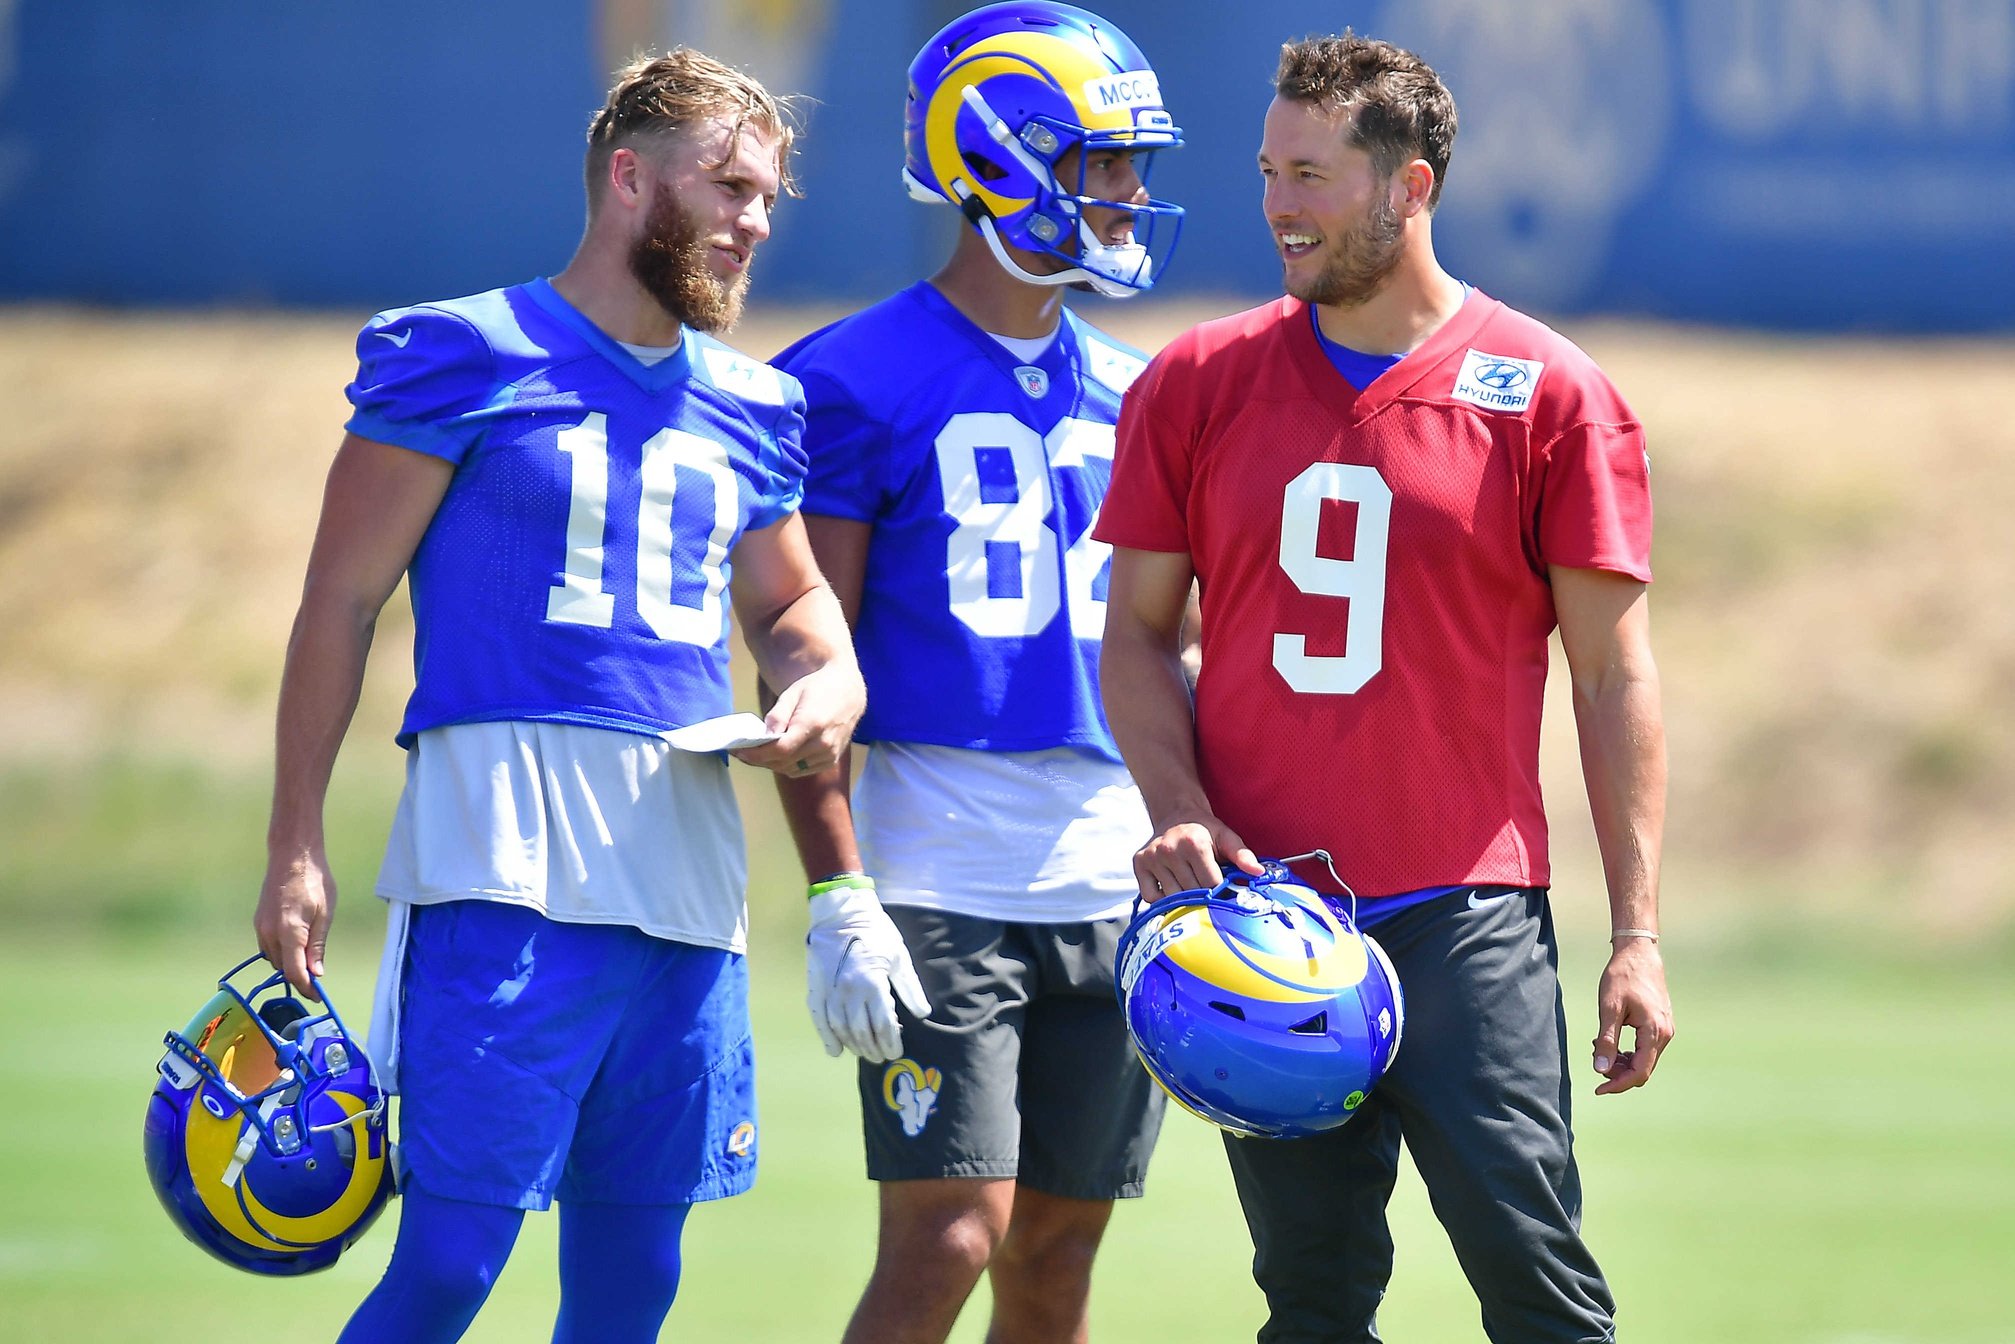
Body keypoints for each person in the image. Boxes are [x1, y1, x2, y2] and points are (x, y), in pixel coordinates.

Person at [251, 49, 903, 1344]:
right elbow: (338, 601)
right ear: (626, 178)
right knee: (448, 1261)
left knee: (632, 1286)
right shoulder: (461, 352)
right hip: (502, 863)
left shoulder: (758, 405)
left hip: (683, 878)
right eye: (728, 185)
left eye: (769, 197)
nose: (754, 221)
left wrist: (831, 675)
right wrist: (295, 841)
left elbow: (787, 604)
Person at [1096, 31, 1675, 1344]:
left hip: (1462, 917)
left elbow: (1610, 674)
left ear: (1409, 187)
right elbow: (1134, 636)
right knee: (1311, 1302)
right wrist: (1175, 800)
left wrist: (1635, 935)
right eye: (1265, 171)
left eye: (1309, 174)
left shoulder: (1551, 396)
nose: (1278, 206)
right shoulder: (1195, 382)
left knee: (1540, 1287)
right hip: (1264, 924)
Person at [764, 5, 1186, 1341]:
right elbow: (797, 644)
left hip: (1112, 866)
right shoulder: (842, 380)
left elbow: (1176, 646)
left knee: (1059, 1253)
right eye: (1105, 161)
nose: (1130, 195)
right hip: (941, 859)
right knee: (951, 1233)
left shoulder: (1142, 389)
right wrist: (837, 888)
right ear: (1002, 158)